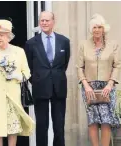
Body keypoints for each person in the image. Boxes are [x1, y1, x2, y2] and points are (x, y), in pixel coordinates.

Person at [0, 19, 35, 146]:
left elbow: (27, 73)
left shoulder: (19, 51)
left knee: (12, 130)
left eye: (2, 35)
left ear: (9, 36)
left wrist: (17, 76)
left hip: (12, 96)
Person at [24, 11, 70, 146]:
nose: (44, 23)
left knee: (59, 126)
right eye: (42, 20)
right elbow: (28, 67)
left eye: (47, 20)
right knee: (42, 126)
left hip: (59, 87)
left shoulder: (64, 41)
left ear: (53, 22)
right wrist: (37, 80)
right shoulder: (31, 43)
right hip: (40, 87)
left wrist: (55, 77)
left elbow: (64, 64)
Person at [76, 14, 121, 146]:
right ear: (91, 29)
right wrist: (86, 85)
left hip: (107, 87)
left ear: (104, 29)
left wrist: (110, 84)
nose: (97, 30)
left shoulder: (113, 45)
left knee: (106, 120)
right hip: (89, 87)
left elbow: (117, 66)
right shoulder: (83, 45)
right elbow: (79, 67)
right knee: (93, 120)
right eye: (94, 27)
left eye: (99, 27)